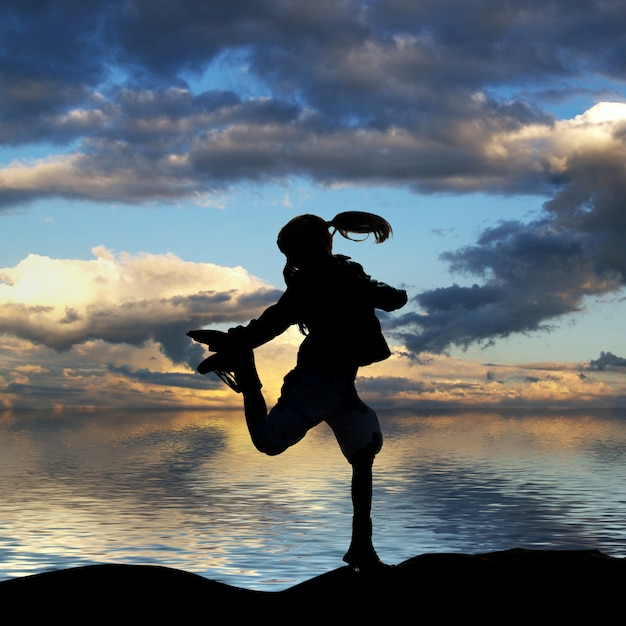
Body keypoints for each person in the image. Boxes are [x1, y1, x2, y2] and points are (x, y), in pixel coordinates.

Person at [188, 212, 407, 570]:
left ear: (314, 247)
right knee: (268, 443)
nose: (291, 262)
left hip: (341, 388)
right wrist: (237, 341)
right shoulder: (310, 285)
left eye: (293, 253)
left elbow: (395, 299)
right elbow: (270, 324)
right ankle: (246, 371)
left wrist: (371, 289)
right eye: (288, 255)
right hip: (314, 384)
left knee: (364, 450)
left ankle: (361, 546)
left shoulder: (348, 274)